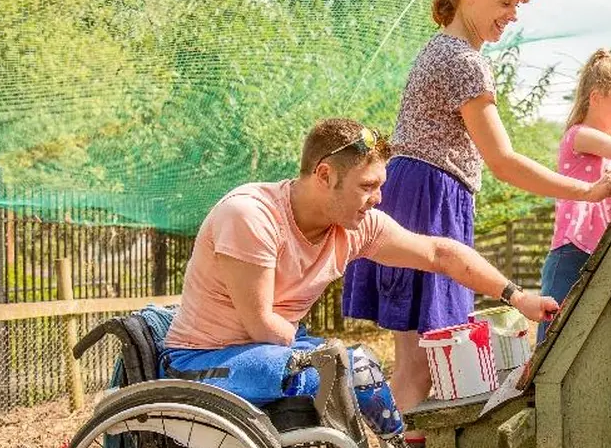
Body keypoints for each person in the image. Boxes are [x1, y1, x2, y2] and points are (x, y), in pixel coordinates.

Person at [341, 0, 611, 419]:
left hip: (419, 190)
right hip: (429, 197)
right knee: (424, 366)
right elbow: (504, 160)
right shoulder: (463, 61)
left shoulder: (443, 49)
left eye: (516, 7)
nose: (511, 16)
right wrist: (587, 190)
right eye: (504, 3)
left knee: (418, 362)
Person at [162, 118, 559, 405]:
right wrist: (322, 351)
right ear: (323, 175)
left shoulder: (356, 225)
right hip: (203, 361)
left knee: (358, 366)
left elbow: (440, 253)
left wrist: (517, 297)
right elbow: (261, 326)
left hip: (270, 352)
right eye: (367, 186)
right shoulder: (250, 216)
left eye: (380, 186)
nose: (378, 199)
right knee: (339, 364)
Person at [538, 50, 611, 340]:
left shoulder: (608, 149)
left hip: (598, 251)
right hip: (571, 251)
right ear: (597, 98)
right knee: (551, 341)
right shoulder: (580, 136)